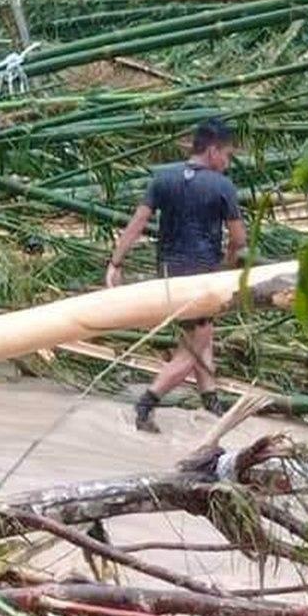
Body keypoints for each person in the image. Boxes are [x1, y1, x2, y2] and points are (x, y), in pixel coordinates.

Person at [106, 117, 248, 432]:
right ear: (212, 151)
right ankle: (148, 402)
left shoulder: (163, 179)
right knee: (193, 349)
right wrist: (229, 267)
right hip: (201, 276)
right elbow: (239, 239)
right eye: (226, 155)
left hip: (168, 274)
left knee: (202, 338)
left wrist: (115, 263)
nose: (226, 163)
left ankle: (211, 403)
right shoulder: (222, 186)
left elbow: (137, 223)